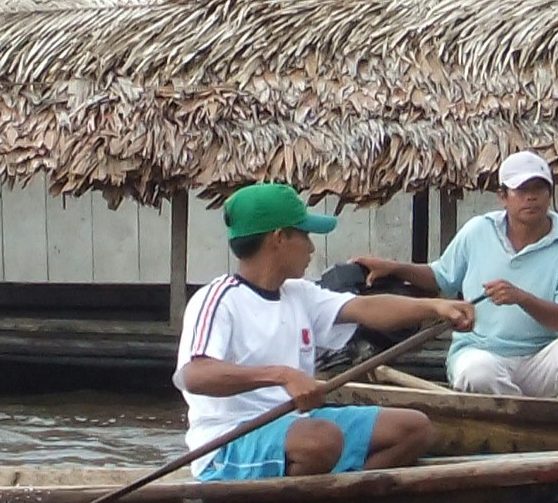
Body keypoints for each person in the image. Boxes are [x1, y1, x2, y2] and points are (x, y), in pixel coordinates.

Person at [180, 182, 462, 481]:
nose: (312, 247)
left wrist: (435, 307)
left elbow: (365, 309)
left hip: (297, 426)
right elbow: (194, 375)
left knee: (413, 429)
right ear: (279, 238)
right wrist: (281, 375)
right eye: (305, 235)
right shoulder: (219, 300)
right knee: (321, 441)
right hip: (229, 440)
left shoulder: (300, 293)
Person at [355, 149, 558, 400]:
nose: (531, 198)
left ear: (550, 195)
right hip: (483, 353)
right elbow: (441, 276)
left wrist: (521, 298)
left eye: (538, 189)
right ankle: (517, 428)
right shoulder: (478, 231)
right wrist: (395, 267)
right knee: (477, 372)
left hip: (543, 356)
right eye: (521, 190)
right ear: (503, 197)